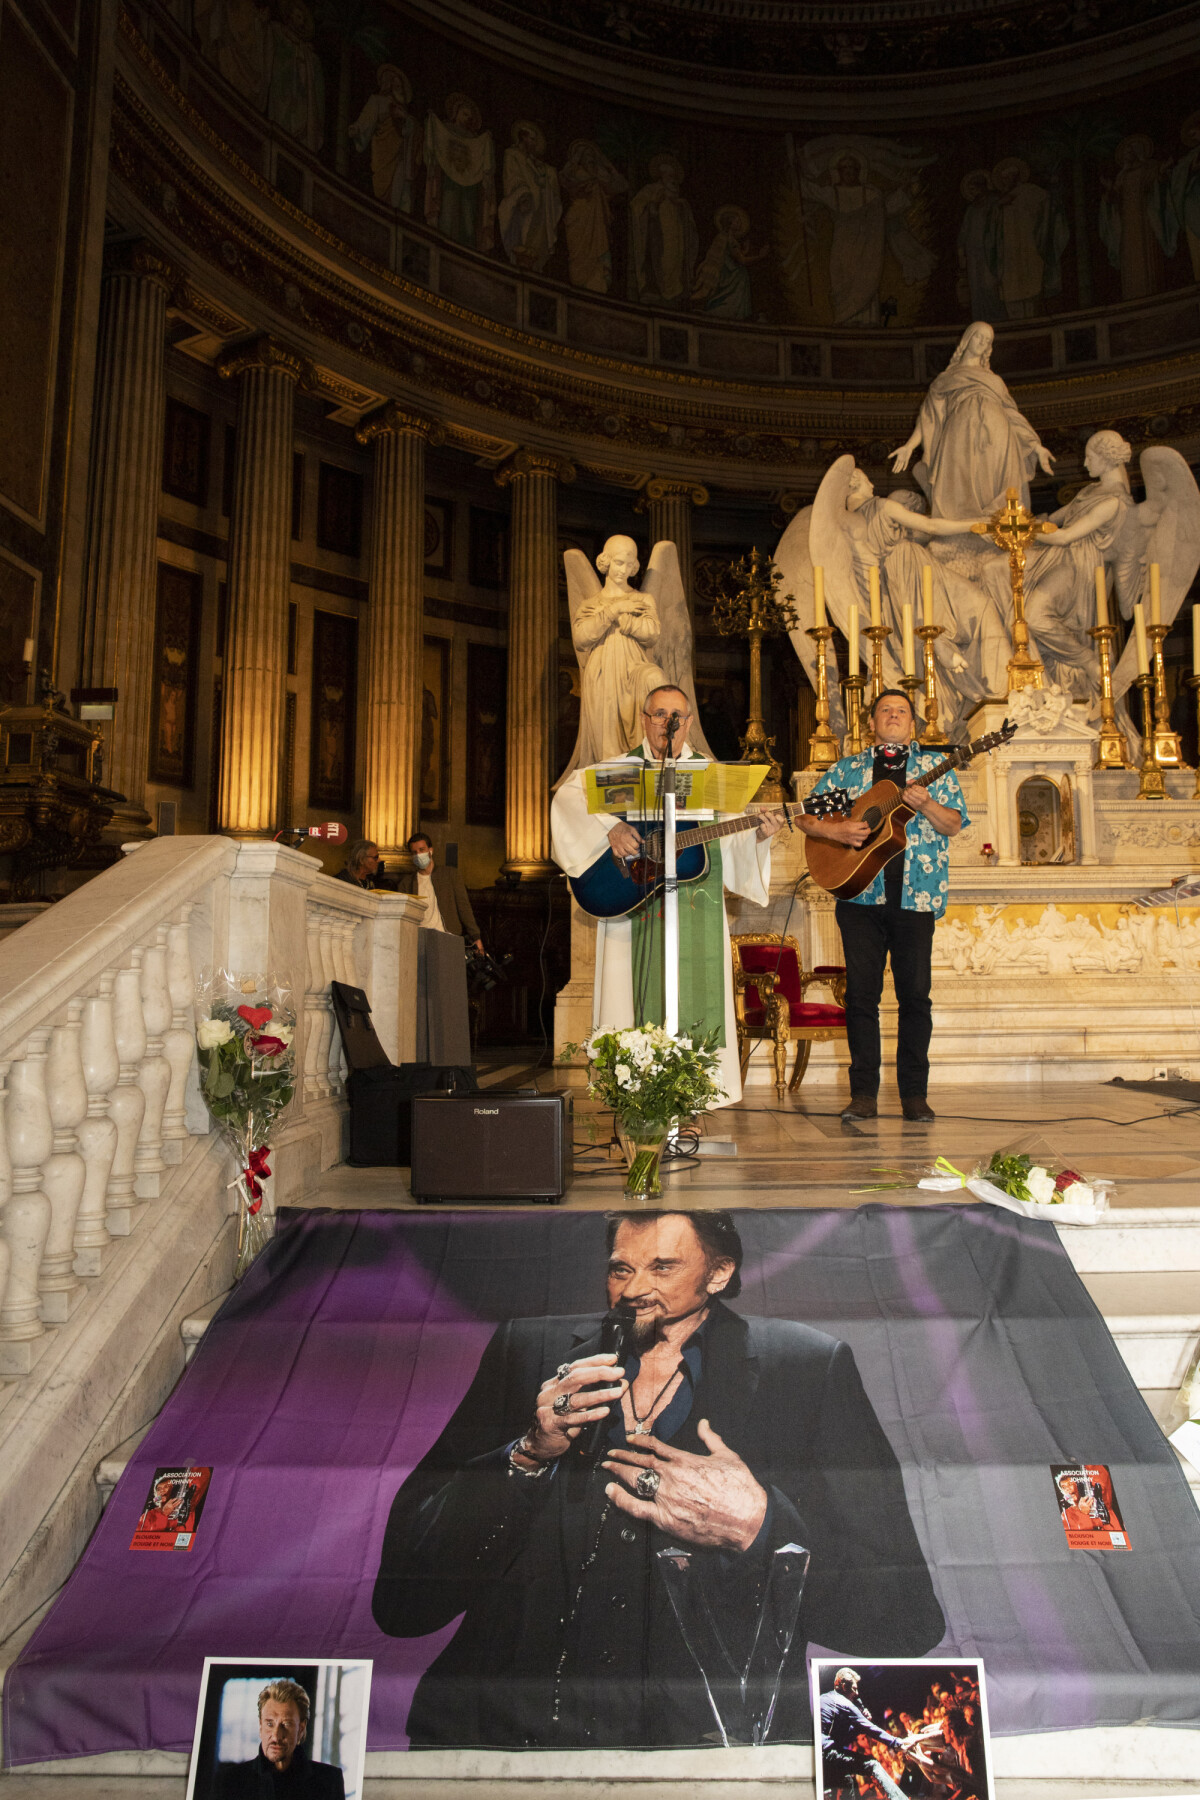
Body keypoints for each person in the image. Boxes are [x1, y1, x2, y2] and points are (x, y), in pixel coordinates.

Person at [373, 1209, 945, 1748]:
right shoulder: (529, 1351)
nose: (632, 1288)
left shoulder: (806, 1368)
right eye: (621, 1267)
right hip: (508, 1731)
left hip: (704, 1741)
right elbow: (401, 1602)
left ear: (719, 1273)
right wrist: (527, 1454)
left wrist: (759, 1527)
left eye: (662, 1267)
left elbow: (904, 1619)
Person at [550, 684, 783, 1103]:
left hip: (698, 910)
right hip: (632, 906)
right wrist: (612, 827)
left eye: (675, 716)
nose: (666, 723)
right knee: (630, 1000)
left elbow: (730, 843)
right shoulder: (625, 770)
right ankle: (635, 1099)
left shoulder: (711, 778)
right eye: (658, 714)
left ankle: (690, 1100)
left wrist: (760, 837)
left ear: (689, 724)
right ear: (644, 719)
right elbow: (568, 799)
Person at [800, 690, 968, 1123]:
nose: (894, 716)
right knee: (861, 998)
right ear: (872, 721)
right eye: (885, 711)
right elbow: (805, 816)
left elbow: (953, 824)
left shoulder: (935, 768)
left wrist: (927, 804)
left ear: (912, 723)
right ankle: (863, 1096)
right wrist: (835, 835)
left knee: (916, 998)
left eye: (902, 711)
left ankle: (914, 1095)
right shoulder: (848, 769)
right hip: (859, 896)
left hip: (916, 895)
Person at [890, 319, 1055, 520]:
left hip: (999, 434)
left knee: (997, 483)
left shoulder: (995, 381)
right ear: (967, 338)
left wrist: (1035, 446)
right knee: (962, 484)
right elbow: (929, 418)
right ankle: (965, 528)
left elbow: (1013, 415)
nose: (982, 342)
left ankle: (997, 527)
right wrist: (909, 446)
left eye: (988, 340)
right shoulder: (945, 379)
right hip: (960, 433)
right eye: (979, 336)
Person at [214, 1679, 344, 1797]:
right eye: (269, 1724)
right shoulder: (229, 1782)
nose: (276, 1735)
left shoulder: (330, 1781)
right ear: (260, 1726)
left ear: (301, 1729)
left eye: (286, 1724)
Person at [820, 1667, 927, 1800]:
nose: (857, 1693)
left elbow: (841, 1737)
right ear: (843, 1686)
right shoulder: (843, 1703)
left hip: (822, 1756)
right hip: (828, 1753)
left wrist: (860, 1722)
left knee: (847, 1779)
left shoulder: (825, 1699)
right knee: (872, 1764)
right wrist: (896, 1742)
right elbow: (869, 1729)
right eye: (854, 1688)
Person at [397, 833, 483, 954]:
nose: (418, 855)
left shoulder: (450, 874)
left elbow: (464, 907)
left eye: (422, 850)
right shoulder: (406, 883)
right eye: (414, 852)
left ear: (430, 850)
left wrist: (476, 936)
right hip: (420, 940)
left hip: (448, 936)